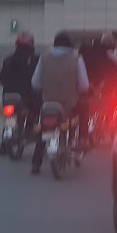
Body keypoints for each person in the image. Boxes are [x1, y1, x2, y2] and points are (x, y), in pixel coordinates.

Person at [30, 31, 90, 174]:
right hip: (69, 105)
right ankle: (83, 138)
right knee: (84, 107)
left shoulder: (44, 57)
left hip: (48, 104)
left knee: (44, 128)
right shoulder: (77, 58)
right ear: (70, 44)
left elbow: (35, 83)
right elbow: (84, 85)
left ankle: (36, 163)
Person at [0, 31, 40, 155]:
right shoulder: (34, 60)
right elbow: (38, 79)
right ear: (31, 45)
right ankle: (28, 132)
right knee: (35, 110)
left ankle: (4, 146)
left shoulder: (8, 59)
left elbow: (2, 79)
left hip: (7, 97)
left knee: (9, 119)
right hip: (26, 96)